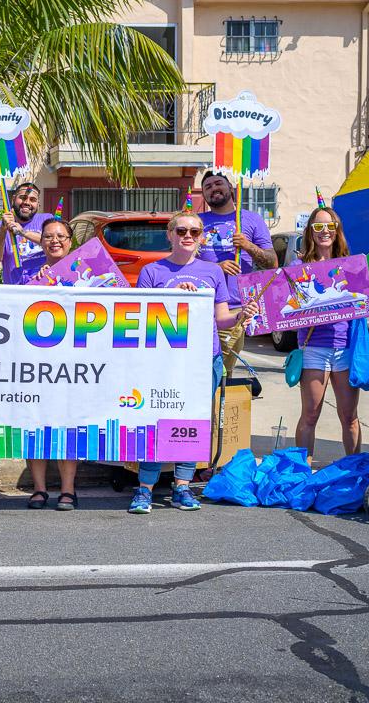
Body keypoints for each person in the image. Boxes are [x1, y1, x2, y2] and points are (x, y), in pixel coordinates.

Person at [132, 210, 257, 513]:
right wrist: (172, 294)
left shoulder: (213, 271)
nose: (188, 236)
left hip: (205, 359)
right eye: (181, 231)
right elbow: (139, 317)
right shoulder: (152, 271)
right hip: (163, 361)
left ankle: (183, 487)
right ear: (170, 235)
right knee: (158, 421)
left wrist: (241, 315)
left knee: (194, 423)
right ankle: (145, 490)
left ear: (202, 237)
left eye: (195, 232)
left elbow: (222, 319)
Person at [292, 207, 361, 458]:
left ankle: (355, 469)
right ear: (310, 231)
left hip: (345, 347)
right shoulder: (298, 266)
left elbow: (361, 304)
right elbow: (287, 307)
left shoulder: (350, 265)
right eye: (318, 227)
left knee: (349, 416)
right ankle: (302, 473)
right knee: (310, 415)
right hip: (313, 347)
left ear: (337, 231)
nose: (324, 232)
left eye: (329, 227)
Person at [197, 169, 277, 374]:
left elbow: (272, 263)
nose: (213, 188)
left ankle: (218, 405)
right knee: (197, 369)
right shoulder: (196, 222)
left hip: (234, 309)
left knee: (221, 371)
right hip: (200, 306)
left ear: (231, 189)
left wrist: (248, 246)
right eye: (208, 186)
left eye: (218, 183)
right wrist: (216, 268)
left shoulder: (251, 220)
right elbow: (183, 262)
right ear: (204, 195)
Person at [25, 218, 81, 511]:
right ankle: (39, 488)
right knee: (35, 423)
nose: (54, 241)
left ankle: (68, 490)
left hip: (73, 361)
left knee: (68, 424)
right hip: (37, 362)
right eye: (48, 236)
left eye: (61, 236)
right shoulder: (27, 272)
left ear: (71, 241)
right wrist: (38, 283)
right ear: (41, 241)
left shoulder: (88, 271)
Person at [0, 182, 49, 284]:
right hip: (15, 292)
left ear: (38, 204)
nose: (27, 202)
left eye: (32, 200)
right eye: (23, 198)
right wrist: (3, 229)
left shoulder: (47, 220)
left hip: (44, 288)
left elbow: (54, 243)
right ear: (13, 199)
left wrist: (23, 233)